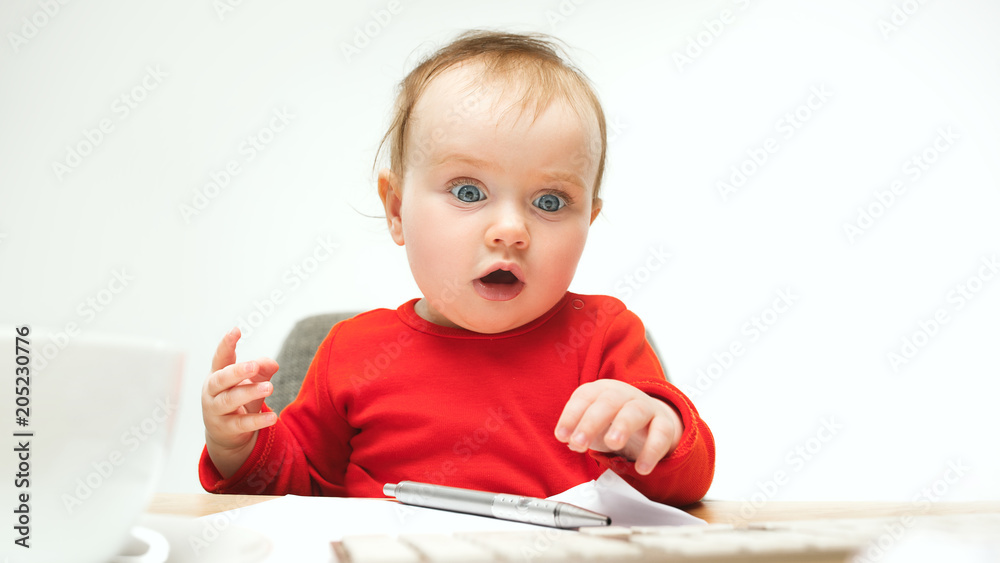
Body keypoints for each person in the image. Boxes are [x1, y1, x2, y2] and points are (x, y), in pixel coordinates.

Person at [200, 29, 715, 506]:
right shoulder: (351, 352)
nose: (511, 230)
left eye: (551, 202)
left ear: (589, 221)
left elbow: (684, 488)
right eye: (469, 192)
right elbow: (293, 491)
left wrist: (654, 432)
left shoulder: (605, 337)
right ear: (397, 210)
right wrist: (239, 445)